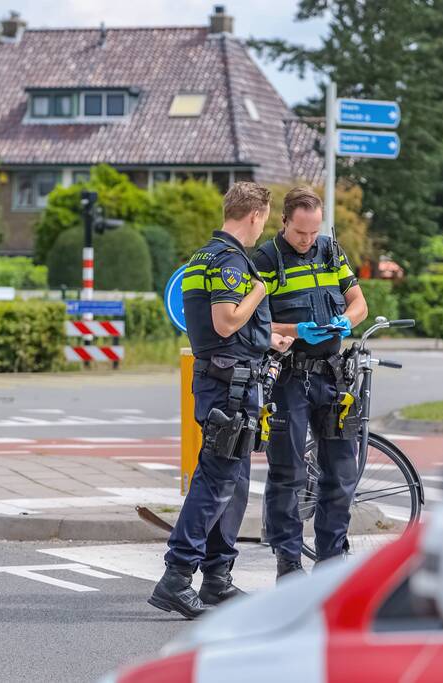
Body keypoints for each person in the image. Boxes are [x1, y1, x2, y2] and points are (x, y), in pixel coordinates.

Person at [149, 181, 293, 619]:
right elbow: (226, 321)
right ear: (255, 215)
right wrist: (259, 292)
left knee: (232, 485)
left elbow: (222, 330)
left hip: (229, 381)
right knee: (215, 483)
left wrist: (268, 338)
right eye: (264, 220)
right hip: (229, 387)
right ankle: (177, 578)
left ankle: (217, 579)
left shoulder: (201, 259)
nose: (262, 227)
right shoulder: (231, 262)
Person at [252, 187, 369, 579]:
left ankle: (332, 562)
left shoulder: (331, 251)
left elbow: (359, 302)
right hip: (290, 378)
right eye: (301, 233)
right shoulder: (265, 260)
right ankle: (288, 563)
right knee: (288, 472)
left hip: (333, 376)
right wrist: (297, 329)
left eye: (313, 232)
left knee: (340, 471)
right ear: (284, 222)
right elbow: (257, 322)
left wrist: (345, 322)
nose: (307, 240)